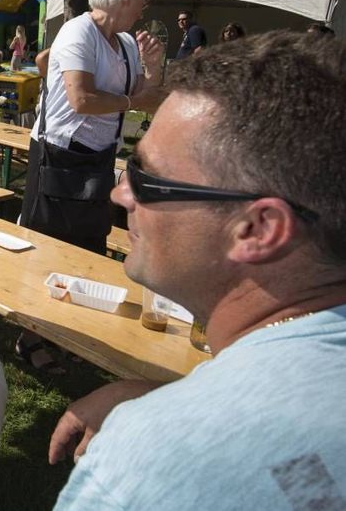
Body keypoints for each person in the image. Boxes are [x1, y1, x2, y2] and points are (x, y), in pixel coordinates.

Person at [50, 30, 346, 510]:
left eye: (147, 179)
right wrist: (168, 395)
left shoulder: (144, 464)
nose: (120, 195)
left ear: (257, 229)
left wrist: (163, 421)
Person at [17, 0, 164, 372]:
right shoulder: (78, 31)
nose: (144, 10)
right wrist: (136, 101)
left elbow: (143, 93)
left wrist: (152, 68)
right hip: (59, 154)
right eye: (142, 1)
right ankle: (31, 339)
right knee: (47, 248)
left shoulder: (127, 42)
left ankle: (70, 333)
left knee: (87, 247)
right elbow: (82, 99)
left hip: (97, 157)